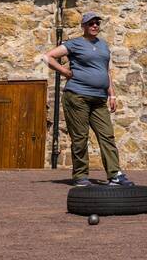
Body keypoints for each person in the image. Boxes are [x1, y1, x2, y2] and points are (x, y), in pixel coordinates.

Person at [42, 11, 133, 186]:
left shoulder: (103, 45)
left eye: (97, 23)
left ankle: (115, 174)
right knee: (80, 137)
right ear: (83, 26)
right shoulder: (75, 43)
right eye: (91, 23)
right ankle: (80, 176)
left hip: (99, 99)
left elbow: (105, 71)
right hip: (77, 96)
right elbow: (47, 57)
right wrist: (65, 72)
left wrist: (112, 94)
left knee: (107, 135)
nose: (95, 26)